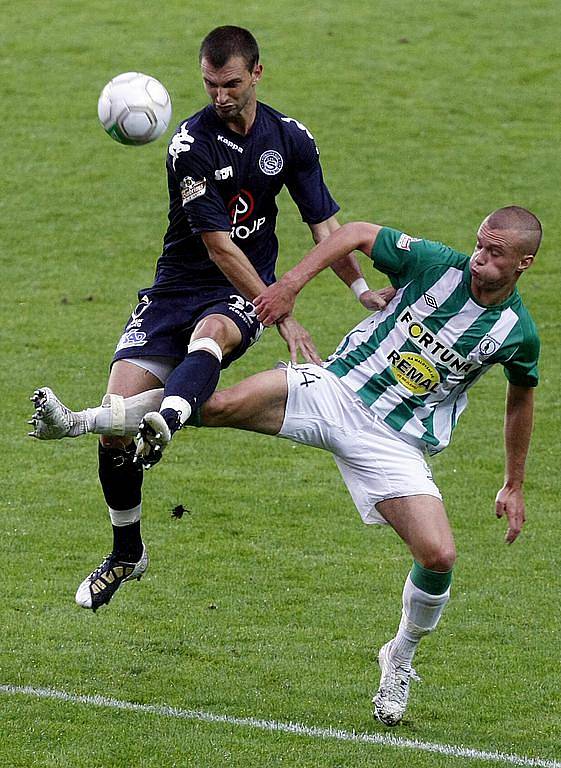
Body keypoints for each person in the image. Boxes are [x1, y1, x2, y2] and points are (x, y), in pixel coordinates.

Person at [30, 205, 541, 726]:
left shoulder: (516, 331)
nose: (479, 258)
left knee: (438, 555)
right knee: (213, 404)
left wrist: (514, 482)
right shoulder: (438, 265)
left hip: (396, 441)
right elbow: (359, 233)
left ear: (522, 263)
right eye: (479, 244)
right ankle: (76, 421)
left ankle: (400, 657)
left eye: (494, 253)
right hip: (336, 389)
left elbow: (521, 396)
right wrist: (291, 285)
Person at [50, 25, 388, 614]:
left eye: (230, 83)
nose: (219, 96)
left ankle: (168, 422)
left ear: (257, 74)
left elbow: (325, 228)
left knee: (213, 336)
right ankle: (126, 551)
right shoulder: (189, 146)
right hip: (179, 288)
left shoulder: (291, 139)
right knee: (113, 431)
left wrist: (358, 287)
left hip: (237, 295)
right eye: (209, 84)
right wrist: (281, 311)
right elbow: (217, 246)